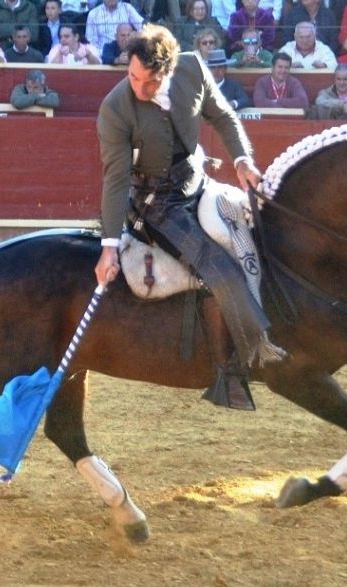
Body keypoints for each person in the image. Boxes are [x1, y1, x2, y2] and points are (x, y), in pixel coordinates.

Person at [96, 24, 285, 410]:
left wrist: (242, 159)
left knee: (258, 230)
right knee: (215, 263)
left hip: (197, 183)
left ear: (167, 71)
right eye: (132, 76)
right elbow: (115, 182)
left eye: (147, 82)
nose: (137, 88)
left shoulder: (193, 69)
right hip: (156, 205)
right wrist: (109, 246)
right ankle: (238, 363)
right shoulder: (115, 109)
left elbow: (223, 115)